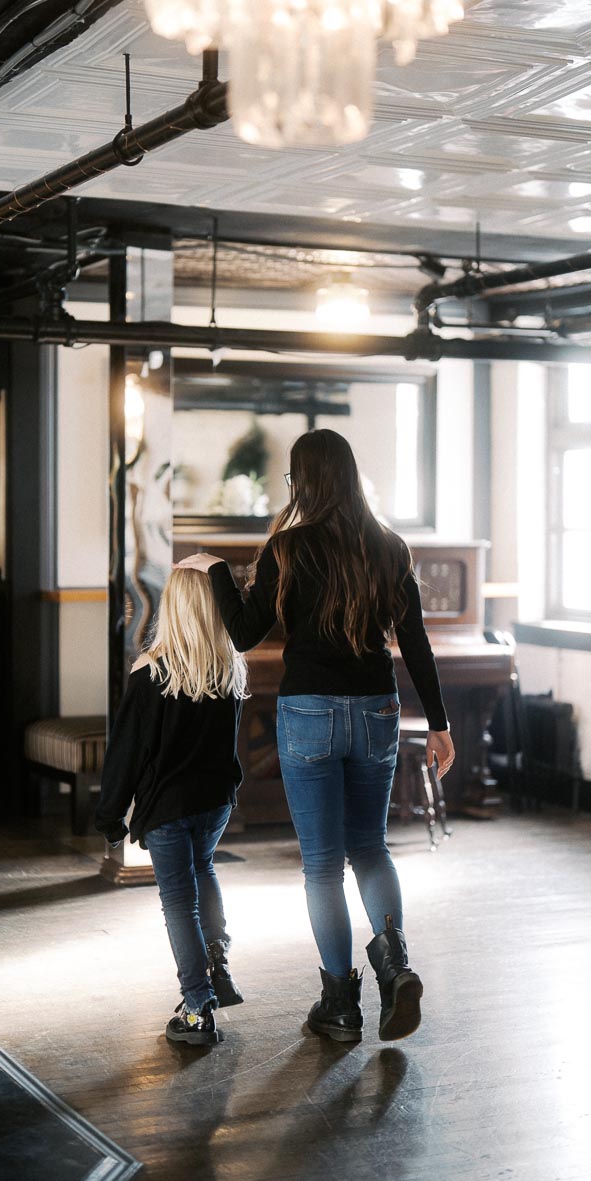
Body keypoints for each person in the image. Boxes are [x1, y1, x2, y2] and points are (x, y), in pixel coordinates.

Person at [176, 428, 455, 1044]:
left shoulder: (288, 548)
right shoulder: (388, 546)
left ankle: (340, 1006)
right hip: (378, 712)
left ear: (301, 481)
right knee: (372, 849)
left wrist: (219, 571)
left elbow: (246, 634)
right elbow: (415, 645)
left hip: (309, 715)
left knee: (323, 867)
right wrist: (439, 724)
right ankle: (395, 965)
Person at [95, 567, 247, 1047]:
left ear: (173, 607)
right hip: (215, 801)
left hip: (169, 807)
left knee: (178, 902)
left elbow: (126, 752)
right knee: (205, 870)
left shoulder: (150, 673)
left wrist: (110, 816)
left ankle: (199, 1008)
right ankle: (217, 961)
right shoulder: (230, 667)